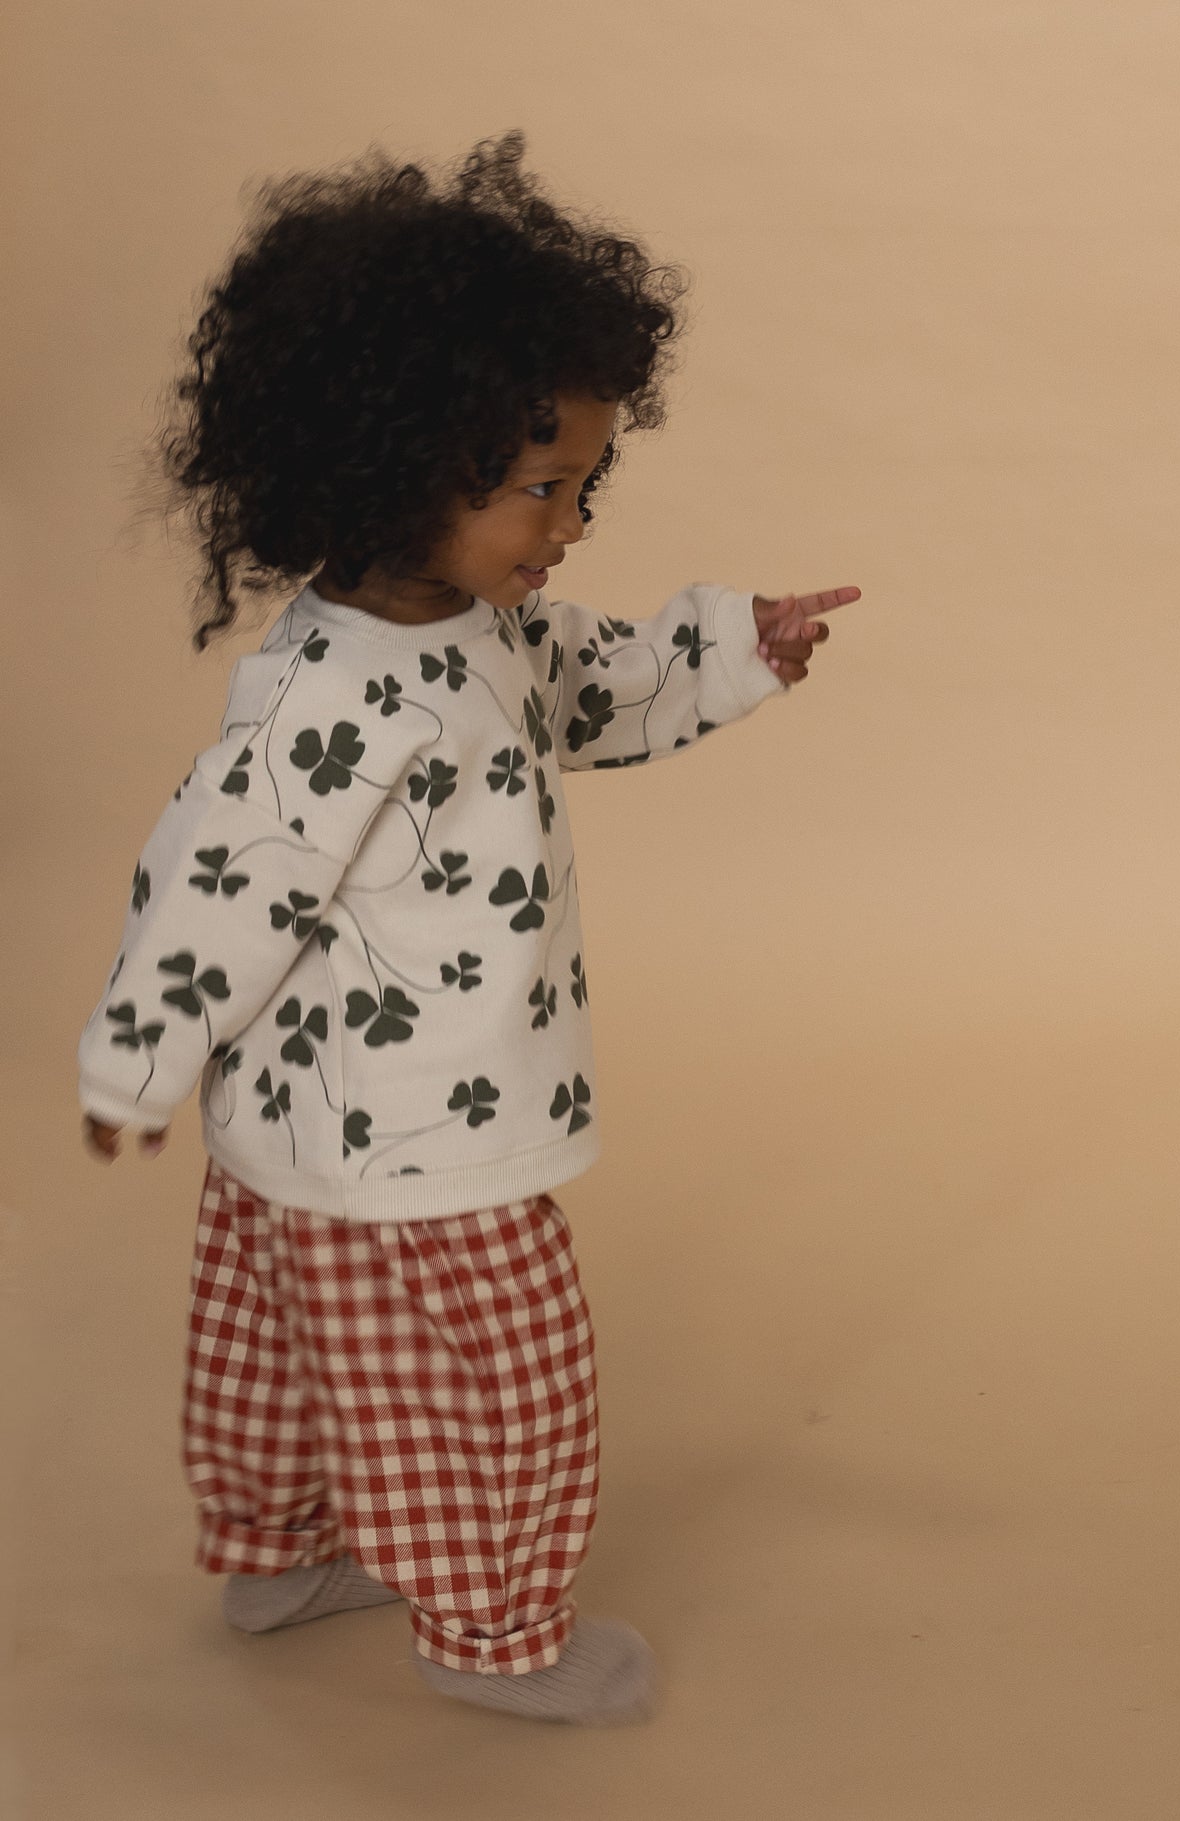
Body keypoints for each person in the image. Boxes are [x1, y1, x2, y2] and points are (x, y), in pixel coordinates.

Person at [77, 131, 859, 1726]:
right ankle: (496, 1630)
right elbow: (214, 882)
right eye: (539, 487)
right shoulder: (332, 702)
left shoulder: (473, 629)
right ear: (390, 464)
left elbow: (597, 684)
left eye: (582, 483)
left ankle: (280, 1548)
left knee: (290, 1338)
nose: (567, 521)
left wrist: (732, 652)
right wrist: (139, 1056)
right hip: (425, 1123)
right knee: (511, 1377)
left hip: (309, 1120)